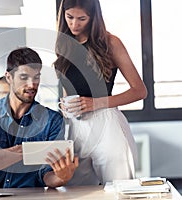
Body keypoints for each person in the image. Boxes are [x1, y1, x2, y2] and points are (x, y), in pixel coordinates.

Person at [53, 0, 147, 185]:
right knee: (76, 192)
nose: (74, 24)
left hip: (107, 125)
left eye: (82, 19)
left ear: (93, 17)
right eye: (69, 17)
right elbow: (68, 87)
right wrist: (64, 105)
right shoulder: (64, 44)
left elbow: (140, 90)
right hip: (74, 127)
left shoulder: (110, 43)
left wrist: (95, 103)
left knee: (119, 189)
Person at [0, 47, 78, 189]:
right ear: (9, 77)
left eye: (36, 77)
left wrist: (61, 177)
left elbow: (46, 175)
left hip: (25, 196)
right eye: (24, 78)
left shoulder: (53, 120)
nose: (32, 85)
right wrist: (28, 151)